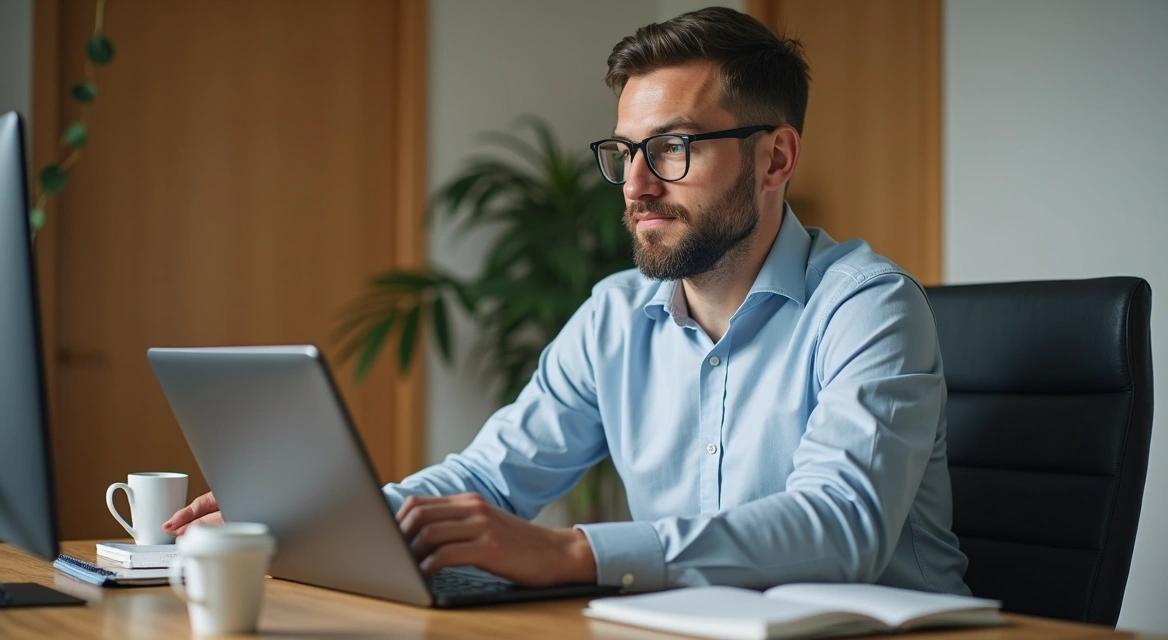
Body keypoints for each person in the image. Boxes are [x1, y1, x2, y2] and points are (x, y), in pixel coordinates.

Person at [165, 6, 969, 595]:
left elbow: (841, 526)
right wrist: (306, 517)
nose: (638, 184)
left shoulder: (868, 307)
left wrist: (576, 552)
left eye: (672, 149)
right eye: (624, 153)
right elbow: (491, 478)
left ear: (776, 158)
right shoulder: (618, 316)